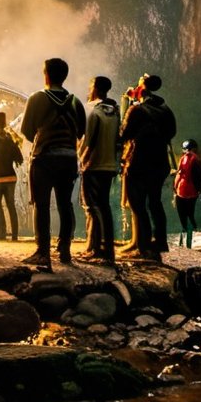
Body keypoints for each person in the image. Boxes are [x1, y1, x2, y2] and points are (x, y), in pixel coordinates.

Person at [21, 58, 86, 270]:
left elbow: (27, 131)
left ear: (46, 74)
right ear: (64, 76)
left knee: (41, 205)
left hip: (44, 157)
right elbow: (81, 131)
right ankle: (65, 249)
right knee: (65, 204)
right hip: (68, 158)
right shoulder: (76, 101)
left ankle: (43, 252)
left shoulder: (37, 98)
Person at [120, 72, 177, 259]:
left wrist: (127, 104)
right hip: (160, 162)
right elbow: (171, 132)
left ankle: (141, 246)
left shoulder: (137, 110)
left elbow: (123, 134)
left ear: (142, 88)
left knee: (137, 204)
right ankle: (159, 242)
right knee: (155, 202)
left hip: (138, 162)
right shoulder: (166, 109)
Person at [80, 75, 120, 265]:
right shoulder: (114, 111)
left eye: (90, 86)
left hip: (93, 165)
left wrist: (80, 161)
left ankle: (98, 250)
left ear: (95, 88)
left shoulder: (94, 112)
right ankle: (99, 247)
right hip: (109, 165)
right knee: (103, 207)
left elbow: (88, 142)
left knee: (92, 207)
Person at [0, 111, 23, 241]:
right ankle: (14, 235)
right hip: (10, 176)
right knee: (11, 205)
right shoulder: (11, 139)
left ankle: (0, 234)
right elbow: (20, 159)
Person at [173, 138, 201, 249]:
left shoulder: (184, 159)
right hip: (191, 192)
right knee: (190, 214)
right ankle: (191, 237)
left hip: (182, 190)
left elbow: (179, 176)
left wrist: (175, 188)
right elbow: (200, 176)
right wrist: (198, 189)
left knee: (183, 216)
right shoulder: (197, 159)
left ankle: (186, 239)